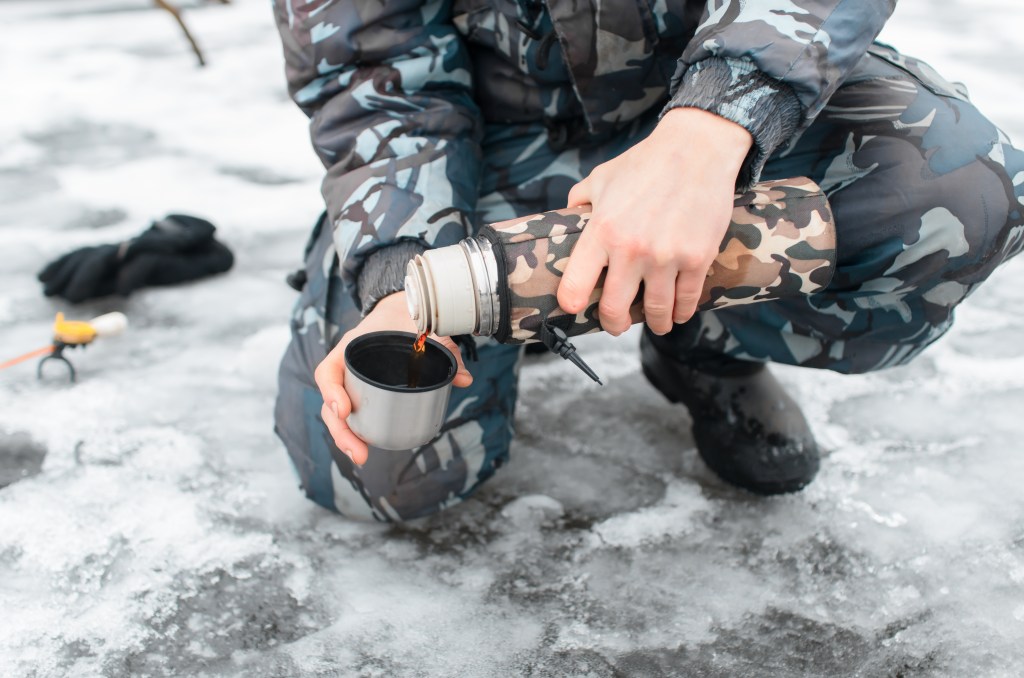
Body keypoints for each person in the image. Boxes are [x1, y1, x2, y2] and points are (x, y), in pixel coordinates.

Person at [271, 1, 1023, 522]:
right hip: (483, 145)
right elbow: (371, 73)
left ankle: (705, 343)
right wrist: (406, 275)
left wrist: (716, 124)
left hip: (717, 112)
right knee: (377, 474)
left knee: (953, 191)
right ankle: (510, 320)